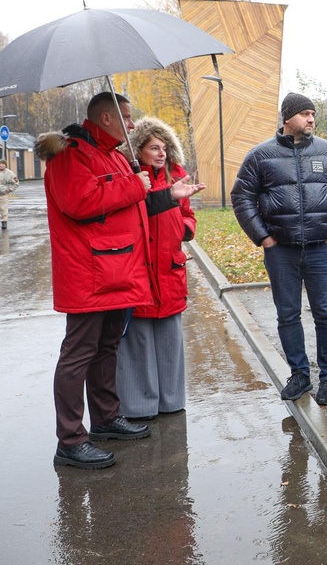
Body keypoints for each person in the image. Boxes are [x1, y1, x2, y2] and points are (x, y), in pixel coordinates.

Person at [37, 92, 204, 469]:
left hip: (115, 272)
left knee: (107, 347)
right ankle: (71, 440)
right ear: (106, 118)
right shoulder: (71, 154)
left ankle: (106, 418)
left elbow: (134, 205)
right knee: (77, 356)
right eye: (126, 118)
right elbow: (80, 202)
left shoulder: (113, 155)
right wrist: (136, 185)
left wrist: (168, 195)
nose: (132, 125)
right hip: (87, 274)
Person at [231, 92, 327, 406]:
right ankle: (299, 375)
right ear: (287, 118)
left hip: (321, 250)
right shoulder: (261, 156)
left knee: (326, 316)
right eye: (304, 114)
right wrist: (264, 238)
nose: (311, 119)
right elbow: (242, 197)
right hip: (281, 251)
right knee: (287, 316)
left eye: (313, 114)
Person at [116, 117, 198, 420]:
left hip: (169, 267)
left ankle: (171, 401)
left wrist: (184, 229)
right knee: (138, 339)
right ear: (139, 151)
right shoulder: (132, 178)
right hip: (139, 267)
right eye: (154, 148)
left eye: (164, 147)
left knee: (169, 340)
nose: (161, 153)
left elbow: (189, 216)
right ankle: (139, 406)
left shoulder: (177, 175)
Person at [0, 159, 19, 229]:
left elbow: (16, 183)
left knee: (3, 208)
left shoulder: (10, 173)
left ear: (5, 165)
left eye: (2, 164)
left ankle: (4, 222)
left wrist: (9, 189)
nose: (1, 165)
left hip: (3, 194)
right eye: (0, 163)